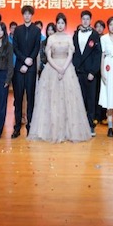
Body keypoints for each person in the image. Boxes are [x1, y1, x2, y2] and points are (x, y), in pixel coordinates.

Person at [28, 13, 92, 143]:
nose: (60, 25)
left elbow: (70, 55)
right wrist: (58, 68)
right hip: (52, 69)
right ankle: (52, 131)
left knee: (68, 100)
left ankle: (68, 131)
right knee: (52, 99)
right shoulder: (51, 38)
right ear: (56, 24)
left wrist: (64, 68)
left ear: (65, 25)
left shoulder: (69, 38)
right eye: (59, 23)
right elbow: (49, 56)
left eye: (63, 23)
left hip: (67, 69)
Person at [11, 5, 41, 138]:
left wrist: (29, 61)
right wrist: (24, 60)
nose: (27, 16)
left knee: (30, 98)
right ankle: (17, 127)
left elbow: (36, 47)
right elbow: (15, 48)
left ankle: (30, 127)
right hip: (19, 68)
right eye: (25, 14)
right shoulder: (18, 30)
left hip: (31, 68)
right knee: (18, 98)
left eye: (29, 14)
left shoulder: (36, 30)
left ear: (32, 15)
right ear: (22, 15)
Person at [71, 9, 102, 137]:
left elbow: (98, 55)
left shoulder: (94, 35)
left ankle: (90, 125)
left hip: (90, 73)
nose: (85, 21)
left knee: (90, 99)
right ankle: (79, 125)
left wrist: (93, 71)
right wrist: (74, 68)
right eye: (83, 19)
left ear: (90, 20)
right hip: (78, 72)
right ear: (81, 20)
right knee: (79, 99)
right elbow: (73, 52)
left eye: (87, 19)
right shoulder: (76, 34)